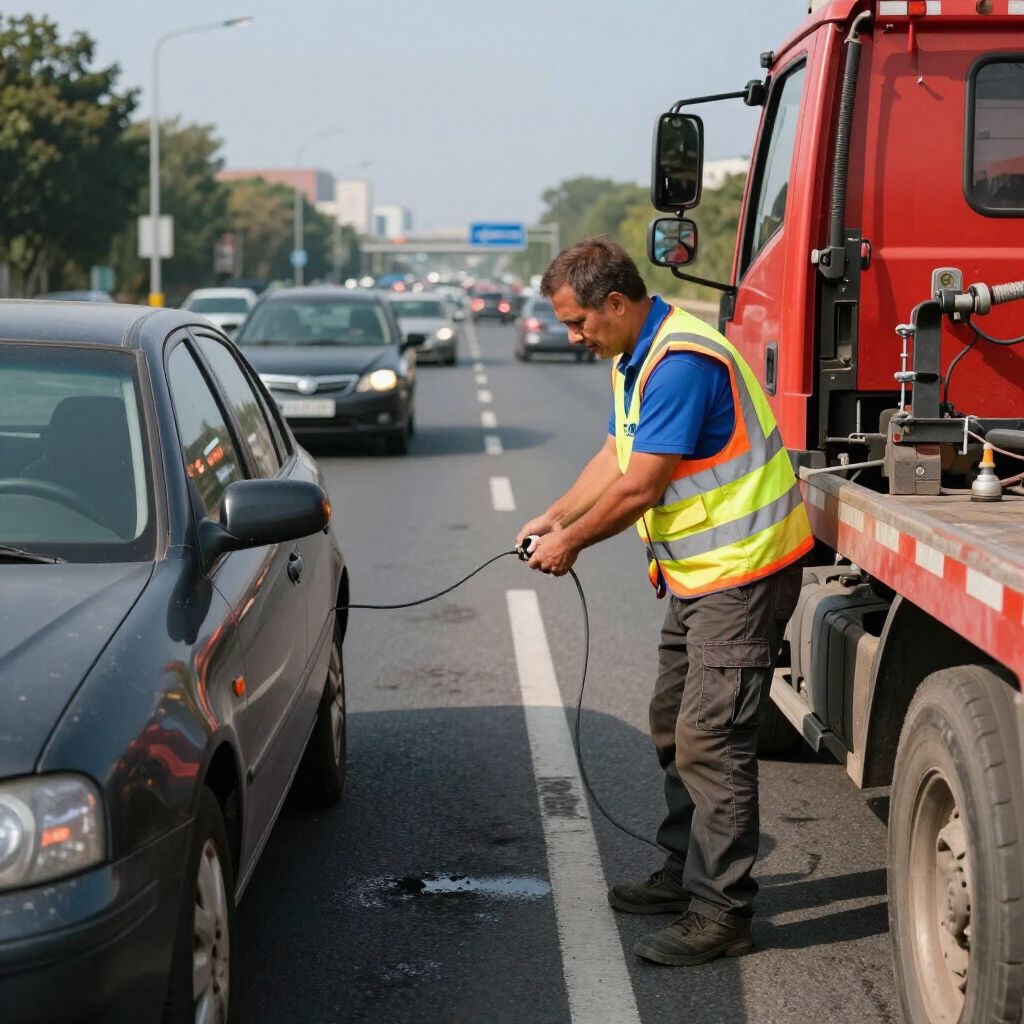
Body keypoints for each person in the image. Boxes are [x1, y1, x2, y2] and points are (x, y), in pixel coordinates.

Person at [516, 237, 812, 966]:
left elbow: (641, 486)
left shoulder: (680, 362)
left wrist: (574, 543)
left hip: (742, 574)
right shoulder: (638, 354)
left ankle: (722, 913)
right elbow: (617, 453)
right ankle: (686, 875)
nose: (572, 337)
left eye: (578, 322)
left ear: (616, 304)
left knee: (711, 740)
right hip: (699, 576)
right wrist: (554, 515)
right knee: (670, 725)